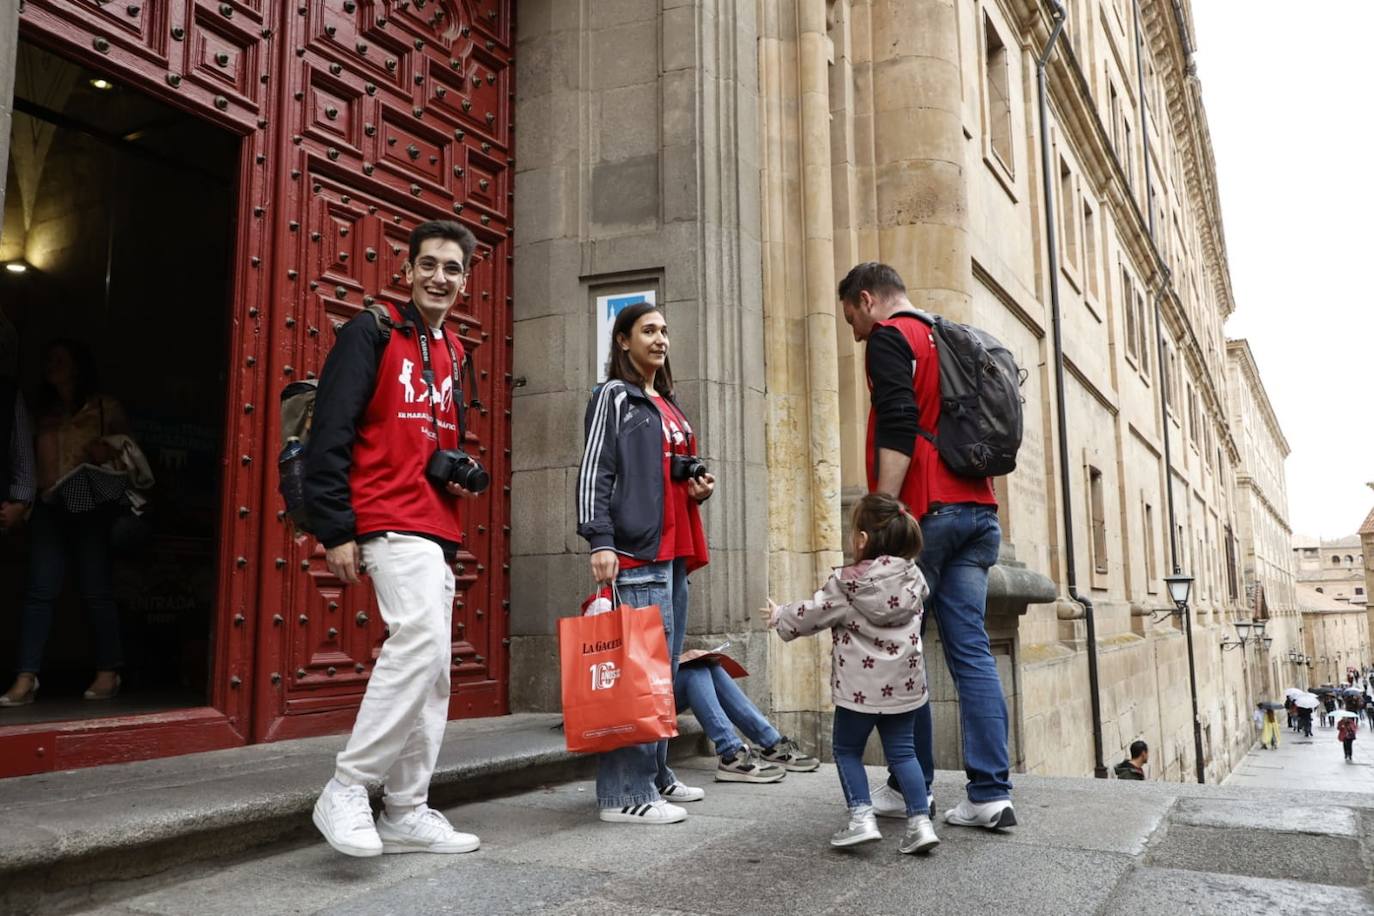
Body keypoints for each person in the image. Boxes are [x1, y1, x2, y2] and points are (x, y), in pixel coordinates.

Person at [303, 220, 484, 858]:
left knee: (434, 670)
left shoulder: (455, 351)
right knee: (422, 643)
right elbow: (332, 427)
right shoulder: (370, 330)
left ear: (467, 279)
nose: (440, 277)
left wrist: (456, 472)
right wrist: (335, 526)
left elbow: (437, 439)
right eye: (429, 265)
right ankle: (348, 786)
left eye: (453, 268)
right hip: (382, 515)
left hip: (436, 523)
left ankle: (406, 809)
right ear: (407, 270)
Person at [837, 262, 1014, 831]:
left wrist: (880, 517)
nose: (855, 332)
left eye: (852, 319)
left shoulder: (893, 337)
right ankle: (990, 794)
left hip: (927, 516)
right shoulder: (946, 335)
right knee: (971, 651)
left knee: (900, 645)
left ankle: (912, 786)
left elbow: (898, 420)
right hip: (980, 512)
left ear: (867, 300)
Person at [576, 302, 715, 825]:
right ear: (622, 340)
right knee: (636, 674)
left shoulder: (666, 401)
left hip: (675, 551)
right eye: (648, 331)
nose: (660, 339)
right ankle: (622, 793)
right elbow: (596, 468)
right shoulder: (613, 396)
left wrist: (696, 489)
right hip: (636, 550)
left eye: (664, 331)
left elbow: (660, 474)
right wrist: (599, 539)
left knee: (660, 674)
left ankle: (655, 775)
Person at [764, 492, 939, 854]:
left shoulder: (848, 584)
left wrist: (780, 614)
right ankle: (920, 823)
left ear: (862, 540)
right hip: (904, 687)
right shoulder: (914, 578)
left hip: (858, 689)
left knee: (846, 750)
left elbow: (814, 613)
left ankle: (861, 819)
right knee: (905, 754)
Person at [1, 340, 125, 707]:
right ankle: (26, 678)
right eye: (48, 359)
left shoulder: (105, 407)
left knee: (96, 591)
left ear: (77, 365)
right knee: (39, 594)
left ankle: (109, 671)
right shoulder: (41, 411)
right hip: (50, 508)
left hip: (91, 508)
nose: (51, 365)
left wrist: (110, 450)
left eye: (59, 359)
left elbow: (130, 453)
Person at [674, 656, 820, 782]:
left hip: (660, 678)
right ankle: (731, 753)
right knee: (694, 673)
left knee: (710, 666)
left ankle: (772, 743)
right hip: (653, 694)